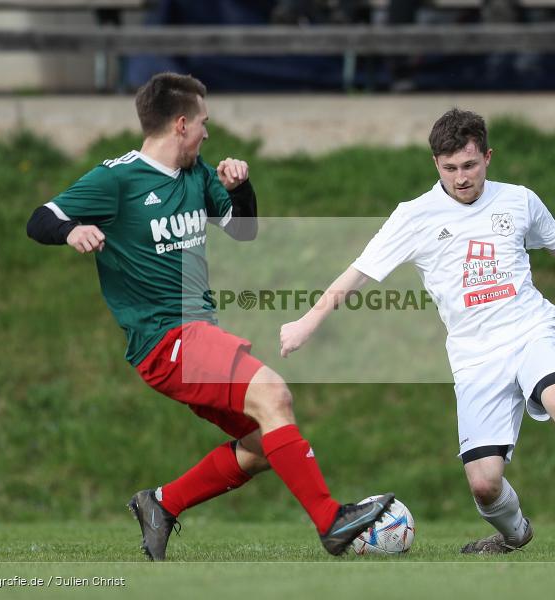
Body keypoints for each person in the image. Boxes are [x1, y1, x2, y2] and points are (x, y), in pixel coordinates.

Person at [26, 72, 393, 561]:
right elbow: (40, 218)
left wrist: (240, 188)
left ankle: (162, 503)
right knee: (274, 394)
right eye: (204, 122)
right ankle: (331, 520)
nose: (208, 132)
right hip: (167, 337)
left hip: (196, 334)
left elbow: (244, 231)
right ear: (180, 124)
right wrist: (71, 231)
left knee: (265, 438)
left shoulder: (197, 175)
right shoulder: (117, 178)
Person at [280, 108, 555, 553]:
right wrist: (308, 322)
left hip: (529, 332)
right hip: (474, 357)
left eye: (469, 165)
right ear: (435, 165)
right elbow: (358, 274)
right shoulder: (414, 216)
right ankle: (515, 534)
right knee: (484, 485)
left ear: (487, 157)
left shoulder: (519, 200)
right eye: (449, 168)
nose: (461, 178)